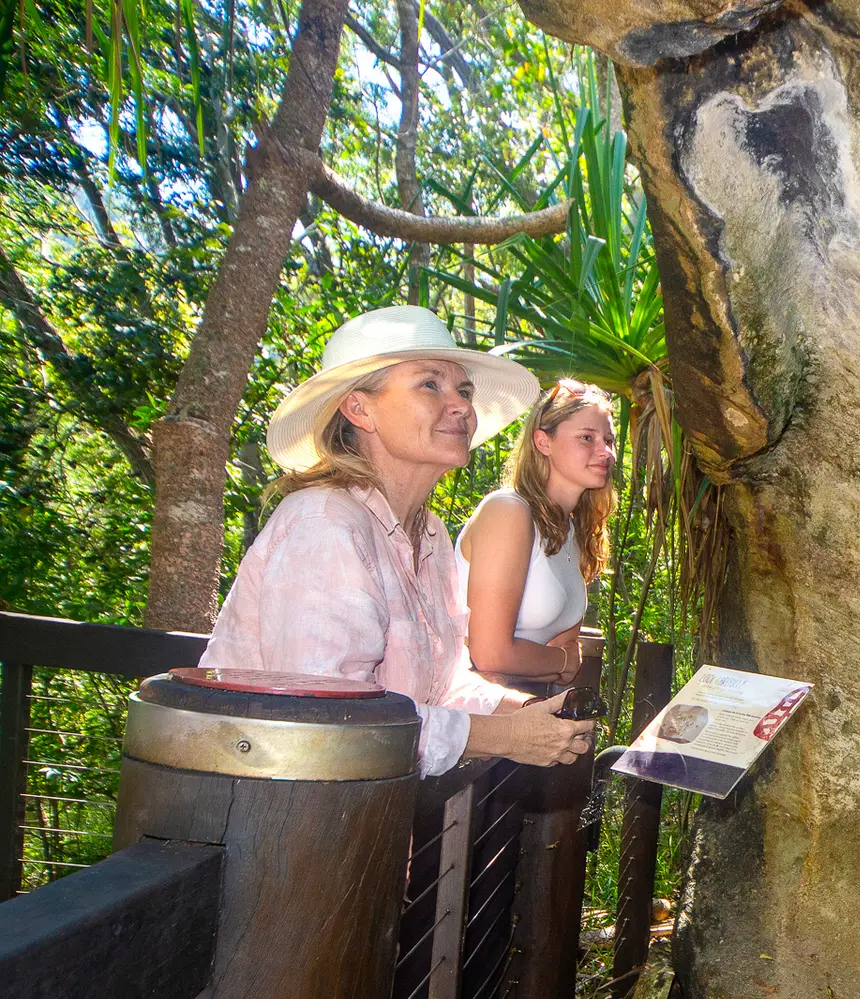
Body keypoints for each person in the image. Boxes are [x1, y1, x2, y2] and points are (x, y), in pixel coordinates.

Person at [200, 305, 592, 775]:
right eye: (430, 384)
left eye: (464, 389)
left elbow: (437, 688)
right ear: (359, 408)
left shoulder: (429, 534)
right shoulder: (325, 523)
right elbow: (331, 718)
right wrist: (503, 737)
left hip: (362, 817)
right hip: (263, 819)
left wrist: (521, 711)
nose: (463, 405)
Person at [458, 378, 617, 683]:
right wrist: (562, 660)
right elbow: (490, 655)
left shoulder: (573, 530)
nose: (605, 452)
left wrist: (558, 660)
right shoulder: (508, 511)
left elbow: (561, 656)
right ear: (543, 442)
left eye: (608, 440)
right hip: (470, 712)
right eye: (587, 437)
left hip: (525, 705)